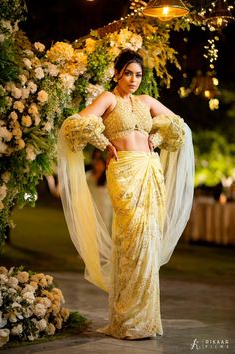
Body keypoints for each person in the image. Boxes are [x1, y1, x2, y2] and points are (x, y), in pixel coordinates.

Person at [57, 49, 194, 340]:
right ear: (117, 73)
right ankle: (126, 319)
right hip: (124, 172)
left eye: (139, 74)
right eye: (128, 73)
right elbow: (74, 125)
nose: (134, 79)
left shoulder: (146, 101)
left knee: (148, 239)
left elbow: (179, 126)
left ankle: (144, 320)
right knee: (131, 239)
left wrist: (155, 139)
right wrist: (103, 142)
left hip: (148, 170)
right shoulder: (109, 99)